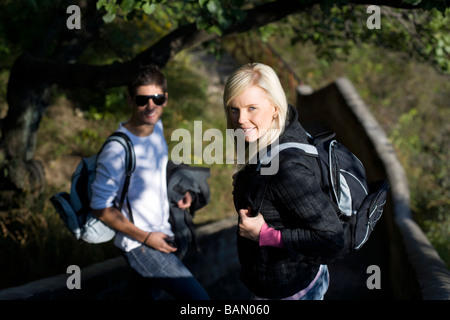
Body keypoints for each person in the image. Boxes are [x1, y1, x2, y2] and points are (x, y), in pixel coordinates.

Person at [223, 63, 344, 300]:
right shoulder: (285, 130)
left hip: (291, 290)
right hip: (299, 278)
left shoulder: (286, 168)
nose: (241, 119)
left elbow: (331, 238)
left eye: (251, 108)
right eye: (233, 109)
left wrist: (264, 235)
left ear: (275, 108)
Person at [91, 65, 209, 300]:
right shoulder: (117, 149)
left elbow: (155, 171)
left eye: (156, 98)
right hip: (141, 244)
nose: (150, 106)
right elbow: (100, 207)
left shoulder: (156, 128)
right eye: (142, 99)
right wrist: (145, 237)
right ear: (130, 100)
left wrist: (179, 192)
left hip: (163, 233)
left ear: (165, 98)